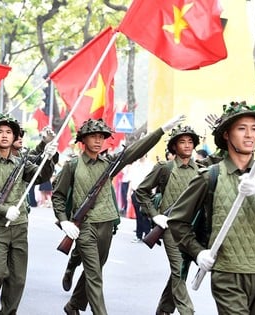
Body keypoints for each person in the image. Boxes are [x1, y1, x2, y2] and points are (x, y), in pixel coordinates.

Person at [169, 101, 255, 314]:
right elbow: (177, 221)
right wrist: (198, 252)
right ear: (227, 135)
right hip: (227, 271)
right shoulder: (210, 176)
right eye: (242, 128)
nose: (249, 135)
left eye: (254, 129)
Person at [53, 115, 184, 315]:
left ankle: (72, 306)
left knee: (95, 270)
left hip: (106, 225)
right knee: (95, 275)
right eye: (93, 136)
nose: (98, 141)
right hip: (85, 227)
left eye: (101, 137)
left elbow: (133, 151)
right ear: (83, 139)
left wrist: (161, 130)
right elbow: (58, 196)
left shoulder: (109, 164)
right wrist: (64, 221)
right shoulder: (72, 166)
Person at [0, 113, 57, 315]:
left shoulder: (21, 162)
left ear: (14, 136)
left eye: (9, 132)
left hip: (19, 226)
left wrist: (49, 155)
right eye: (0, 132)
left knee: (17, 279)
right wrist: (3, 210)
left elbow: (41, 176)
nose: (4, 135)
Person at [134, 125, 201, 315]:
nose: (187, 145)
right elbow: (141, 191)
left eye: (190, 141)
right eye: (182, 141)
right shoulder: (165, 168)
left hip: (192, 230)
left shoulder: (202, 170)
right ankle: (187, 312)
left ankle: (164, 308)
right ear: (174, 146)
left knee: (180, 271)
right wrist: (155, 215)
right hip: (171, 229)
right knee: (179, 270)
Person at [128, 154, 154, 243]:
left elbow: (153, 180)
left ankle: (147, 235)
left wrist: (152, 193)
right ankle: (138, 235)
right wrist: (129, 193)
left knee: (146, 214)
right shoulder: (135, 165)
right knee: (138, 215)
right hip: (135, 192)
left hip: (146, 193)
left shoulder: (150, 165)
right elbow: (131, 180)